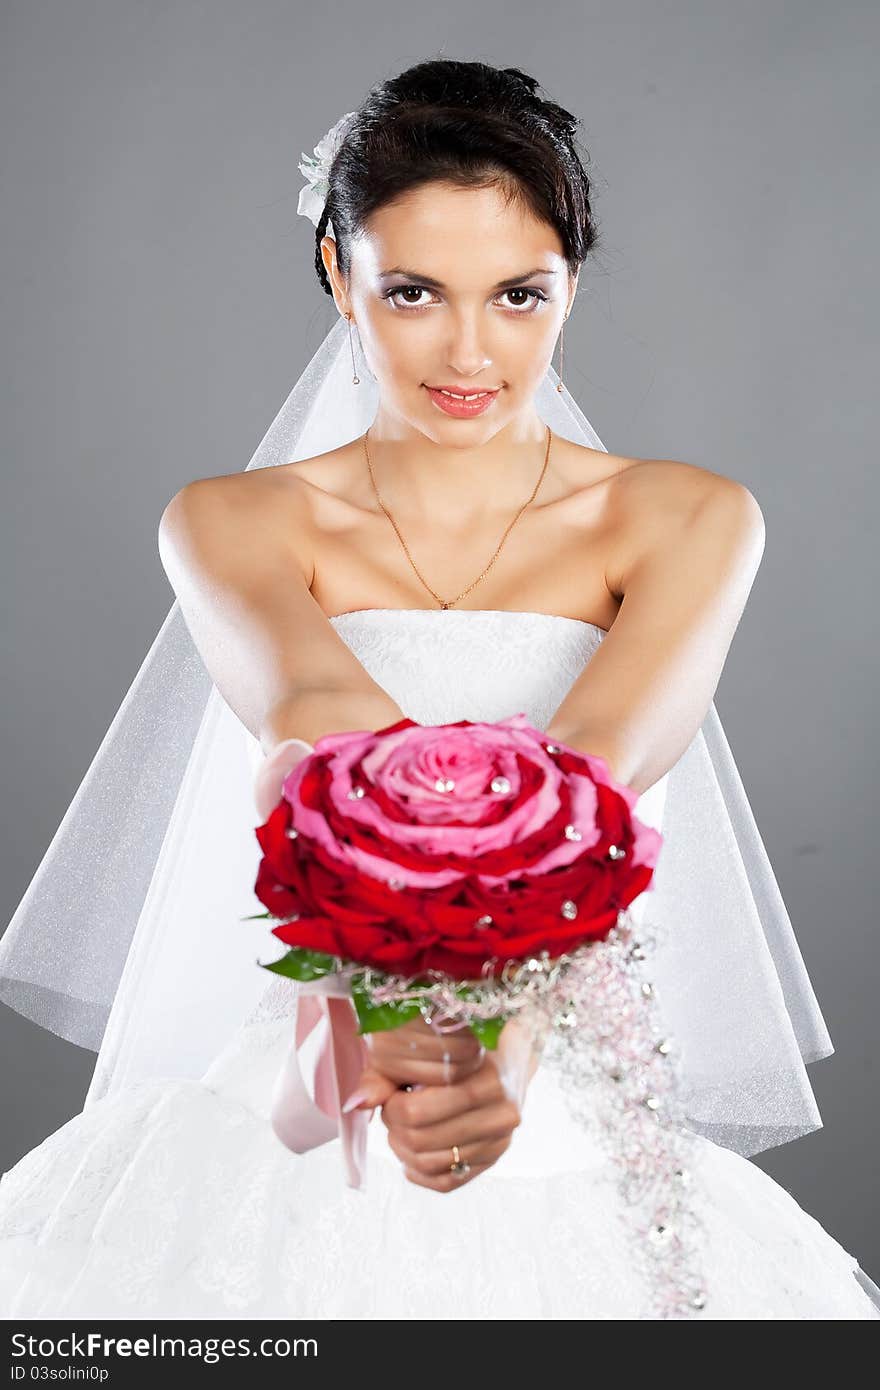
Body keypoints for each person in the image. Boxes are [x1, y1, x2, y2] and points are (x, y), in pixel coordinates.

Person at [0, 57, 877, 1321]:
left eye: (519, 294)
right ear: (335, 274)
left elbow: (592, 775)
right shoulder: (230, 520)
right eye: (411, 291)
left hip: (575, 1109)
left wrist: (508, 1040)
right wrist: (417, 1028)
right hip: (306, 1109)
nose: (470, 349)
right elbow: (320, 732)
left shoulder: (686, 519)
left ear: (570, 285)